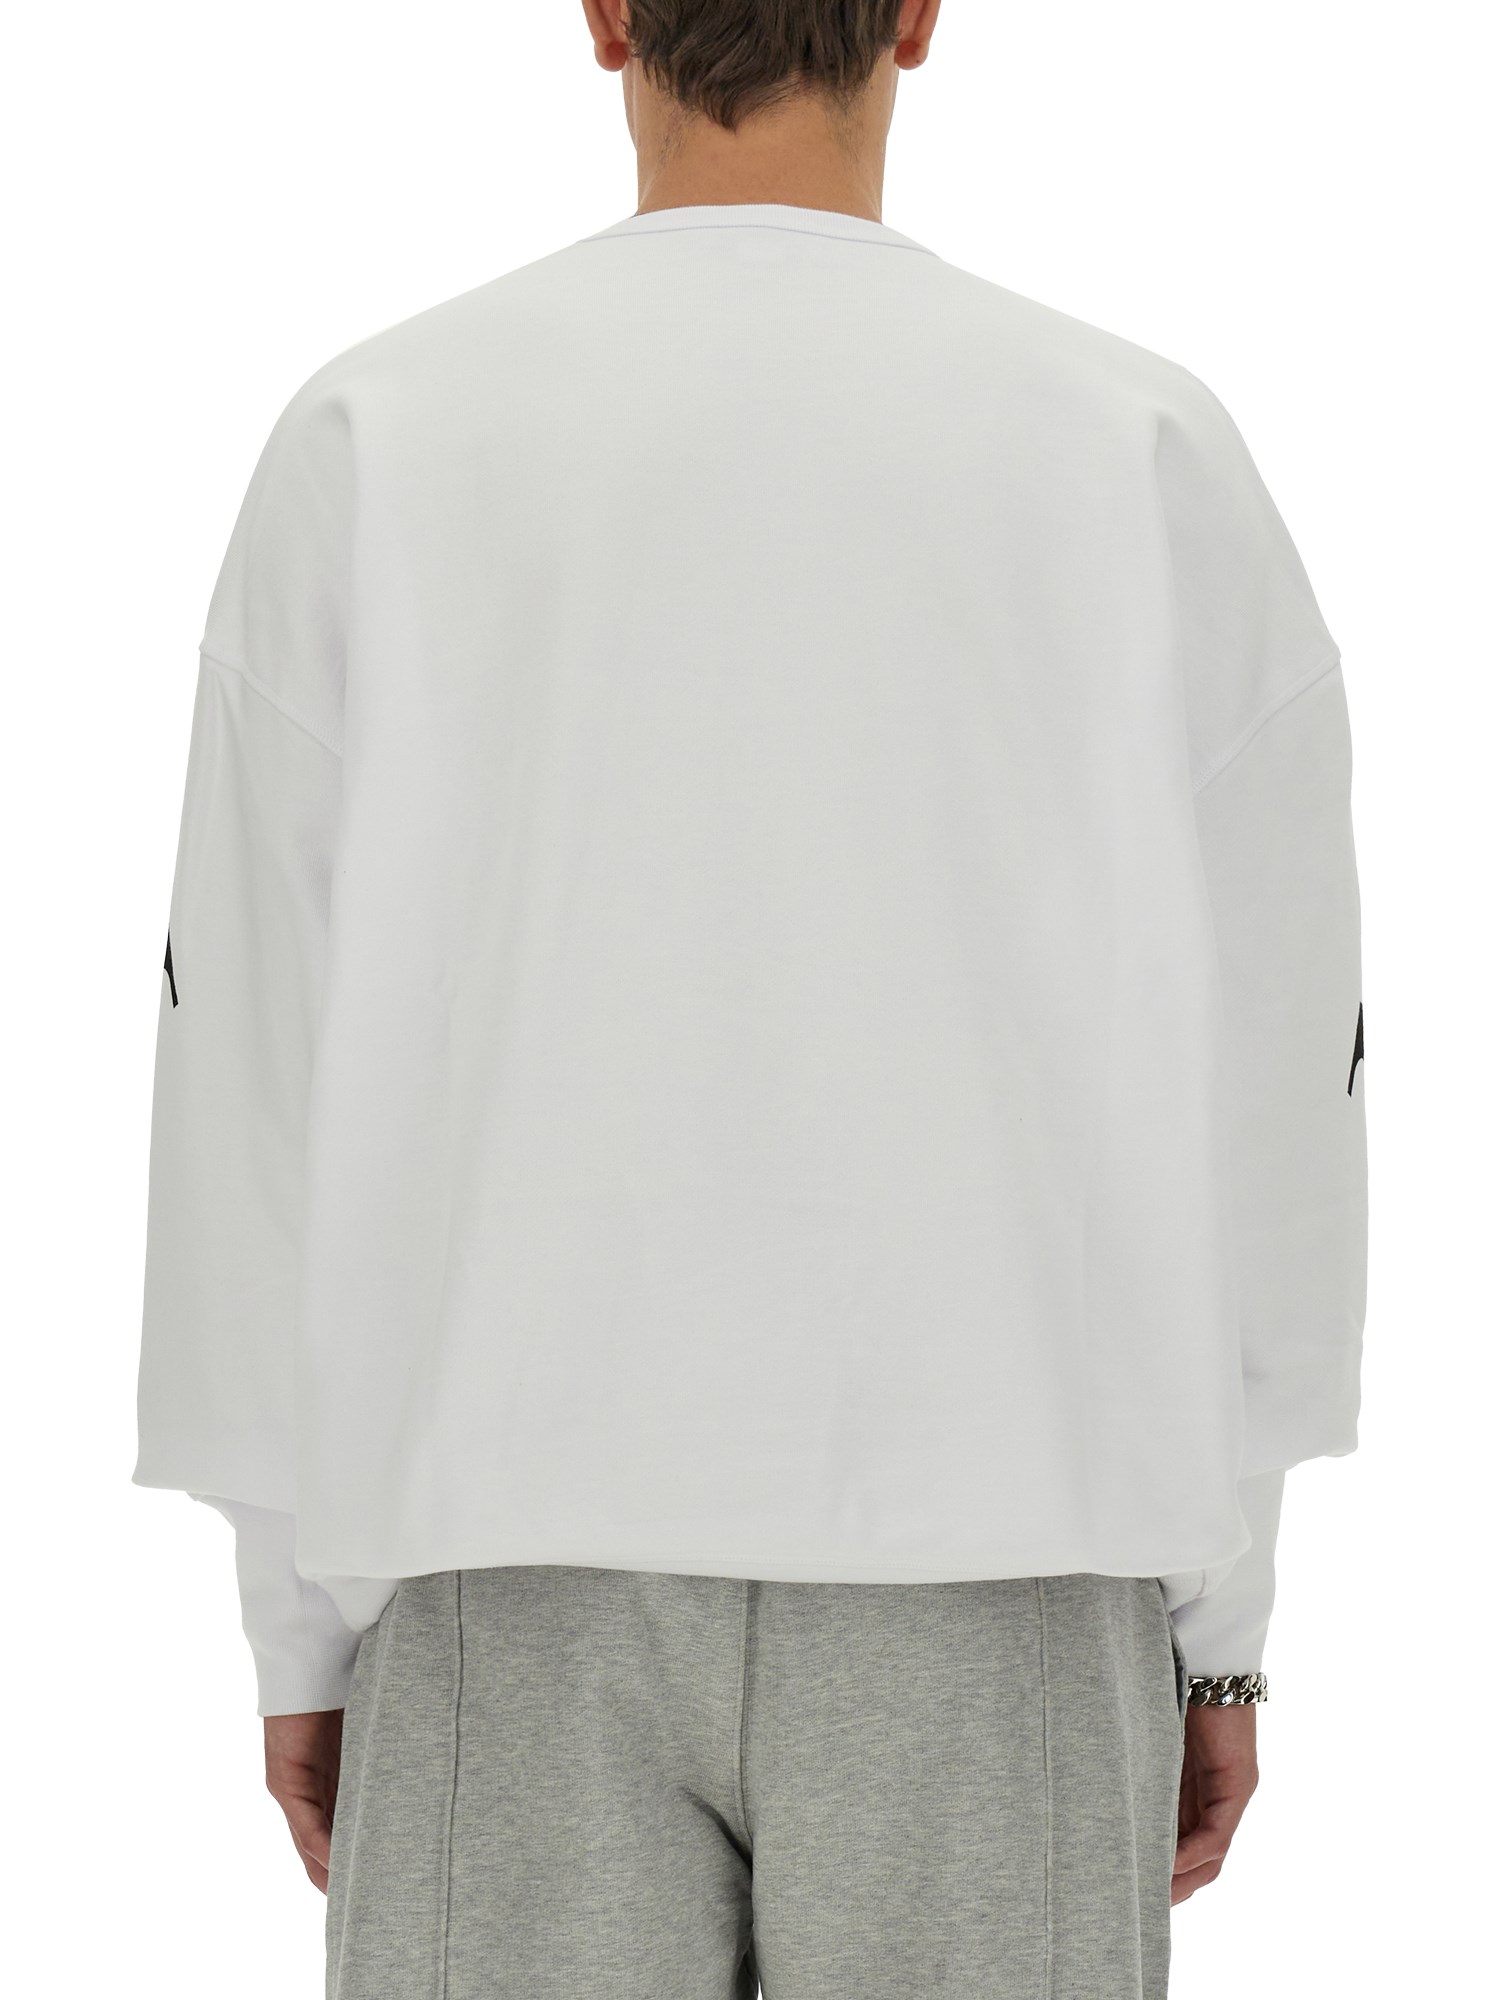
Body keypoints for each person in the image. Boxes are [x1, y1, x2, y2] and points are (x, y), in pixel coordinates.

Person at [135, 2, 1368, 1993]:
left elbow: (250, 1063)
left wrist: (300, 1620)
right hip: (1012, 1560)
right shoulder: (1138, 447)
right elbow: (1277, 1070)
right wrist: (1218, 1624)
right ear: (919, 15)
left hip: (502, 1565)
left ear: (605, 14)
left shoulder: (377, 432)